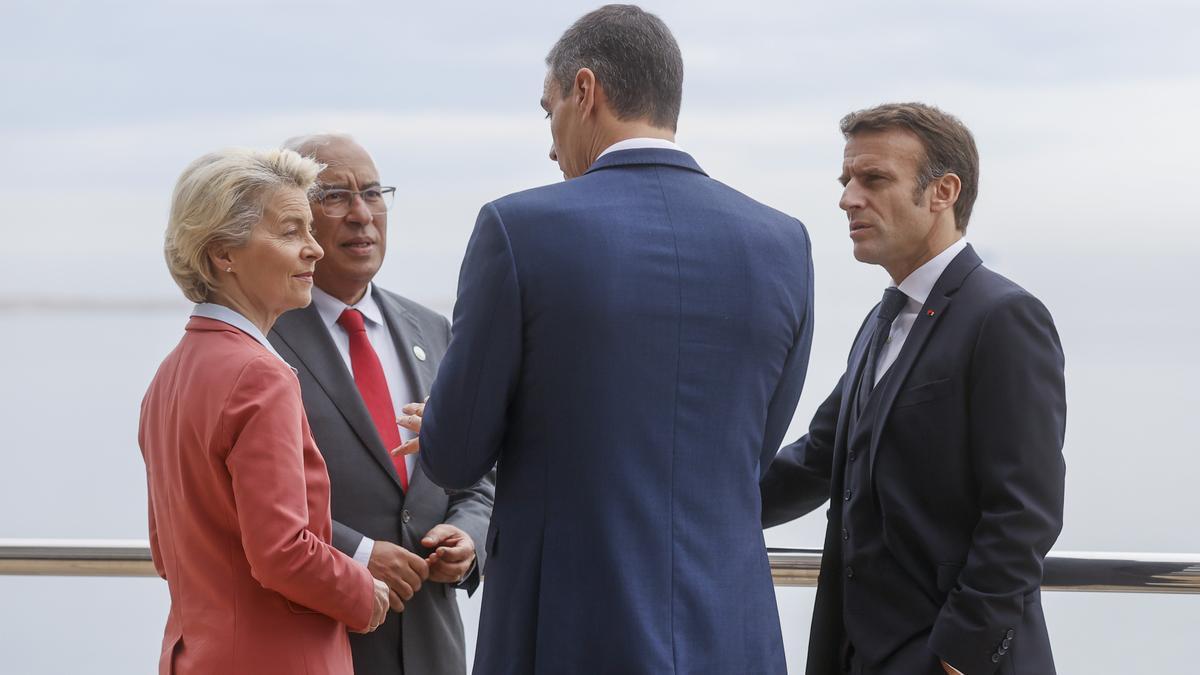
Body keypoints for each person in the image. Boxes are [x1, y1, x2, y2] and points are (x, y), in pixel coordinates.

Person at [407, 5, 814, 673]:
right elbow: (752, 449)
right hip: (731, 632)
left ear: (586, 91)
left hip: (566, 631)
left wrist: (453, 425)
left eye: (549, 111)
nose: (551, 141)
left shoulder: (518, 230)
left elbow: (452, 457)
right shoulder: (782, 242)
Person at [761, 103, 1066, 675]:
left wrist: (959, 656)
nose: (848, 198)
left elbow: (1024, 511)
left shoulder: (1004, 317)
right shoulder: (882, 321)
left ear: (943, 191)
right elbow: (818, 459)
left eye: (873, 179)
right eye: (847, 180)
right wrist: (689, 504)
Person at [139, 147, 395, 675]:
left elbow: (167, 554)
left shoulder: (169, 375)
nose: (314, 250)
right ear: (222, 254)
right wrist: (363, 592)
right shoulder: (260, 375)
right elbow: (283, 551)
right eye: (291, 232)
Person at [268, 133, 495, 675]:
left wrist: (468, 539)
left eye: (372, 193)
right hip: (319, 643)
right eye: (335, 196)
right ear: (291, 216)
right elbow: (252, 506)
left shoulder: (433, 329)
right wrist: (359, 553)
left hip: (434, 650)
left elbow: (477, 477)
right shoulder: (264, 341)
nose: (361, 214)